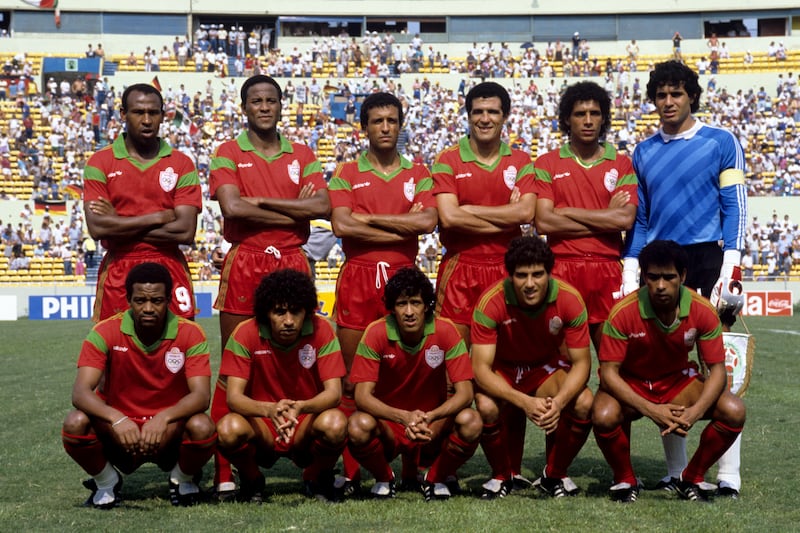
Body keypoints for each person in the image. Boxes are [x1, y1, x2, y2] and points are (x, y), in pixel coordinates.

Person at [622, 60, 747, 497]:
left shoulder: (721, 141)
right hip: (657, 262)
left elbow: (735, 206)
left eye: (677, 93)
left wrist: (730, 265)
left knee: (720, 367)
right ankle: (676, 472)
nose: (668, 102)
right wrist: (628, 266)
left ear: (691, 95)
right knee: (666, 364)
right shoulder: (643, 151)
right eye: (661, 95)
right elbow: (641, 219)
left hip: (707, 258)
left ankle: (727, 475)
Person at [209, 74, 330, 498]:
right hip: (247, 260)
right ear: (245, 107)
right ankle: (225, 468)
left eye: (271, 100)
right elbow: (231, 207)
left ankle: (313, 463)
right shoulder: (227, 152)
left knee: (305, 357)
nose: (264, 107)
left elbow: (323, 206)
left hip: (294, 261)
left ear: (281, 105)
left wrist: (259, 204)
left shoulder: (302, 153)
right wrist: (294, 212)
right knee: (232, 366)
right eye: (256, 100)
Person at [328, 92, 438, 494]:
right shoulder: (345, 171)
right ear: (365, 127)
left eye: (392, 120)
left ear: (401, 124)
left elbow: (426, 221)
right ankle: (354, 468)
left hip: (404, 276)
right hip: (358, 276)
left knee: (408, 375)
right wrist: (399, 224)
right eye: (377, 121)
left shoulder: (419, 172)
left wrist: (367, 218)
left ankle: (412, 467)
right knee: (352, 379)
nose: (386, 127)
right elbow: (341, 225)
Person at [593, 240, 746, 503]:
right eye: (653, 277)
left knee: (734, 410)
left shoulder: (702, 309)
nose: (660, 285)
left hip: (677, 382)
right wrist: (651, 410)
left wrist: (693, 413)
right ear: (643, 277)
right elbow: (608, 374)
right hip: (633, 383)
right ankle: (625, 479)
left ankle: (692, 477)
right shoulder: (622, 312)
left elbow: (718, 372)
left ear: (683, 276)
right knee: (602, 414)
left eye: (669, 277)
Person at [61, 263, 216, 508]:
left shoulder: (191, 333)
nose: (148, 308)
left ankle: (182, 480)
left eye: (156, 301)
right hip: (120, 430)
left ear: (168, 300)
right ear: (128, 299)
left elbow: (201, 396)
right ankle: (106, 482)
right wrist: (117, 418)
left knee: (202, 426)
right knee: (75, 423)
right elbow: (80, 392)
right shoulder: (104, 331)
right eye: (140, 300)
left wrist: (163, 418)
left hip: (168, 431)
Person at [471, 236, 593, 499]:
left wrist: (559, 402)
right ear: (510, 275)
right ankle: (502, 476)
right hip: (502, 369)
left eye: (537, 274)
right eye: (521, 275)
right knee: (486, 406)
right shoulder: (491, 301)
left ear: (550, 273)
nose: (529, 283)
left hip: (543, 369)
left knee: (584, 402)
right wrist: (523, 402)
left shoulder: (569, 298)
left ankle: (555, 474)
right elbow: (480, 369)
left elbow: (583, 364)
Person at [347, 267, 481, 501]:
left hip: (433, 424)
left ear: (427, 305)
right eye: (401, 304)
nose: (409, 312)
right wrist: (403, 417)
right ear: (392, 308)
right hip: (390, 424)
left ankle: (435, 478)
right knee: (358, 425)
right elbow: (362, 396)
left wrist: (430, 417)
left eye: (416, 303)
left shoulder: (446, 330)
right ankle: (384, 478)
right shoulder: (376, 332)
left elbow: (465, 393)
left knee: (471, 421)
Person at [215, 269, 347, 503]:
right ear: (266, 312)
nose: (288, 320)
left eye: (295, 312)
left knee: (335, 423)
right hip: (263, 425)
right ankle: (252, 480)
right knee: (228, 429)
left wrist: (301, 407)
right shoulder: (245, 332)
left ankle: (317, 477)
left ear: (306, 310)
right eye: (279, 312)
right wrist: (269, 410)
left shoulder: (322, 330)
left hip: (304, 422)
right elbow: (233, 398)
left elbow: (334, 394)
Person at [83, 83, 201, 321]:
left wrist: (117, 222)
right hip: (119, 268)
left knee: (177, 348)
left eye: (153, 113)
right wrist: (157, 217)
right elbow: (97, 228)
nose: (147, 120)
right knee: (116, 350)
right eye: (138, 112)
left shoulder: (182, 164)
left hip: (169, 266)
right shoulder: (100, 162)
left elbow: (186, 231)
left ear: (162, 115)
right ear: (123, 114)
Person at [534, 80, 637, 350]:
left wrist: (566, 213)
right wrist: (606, 216)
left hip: (608, 269)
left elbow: (625, 220)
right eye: (580, 114)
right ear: (568, 119)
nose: (588, 121)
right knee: (563, 362)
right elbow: (544, 221)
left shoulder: (621, 162)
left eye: (595, 113)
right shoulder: (547, 163)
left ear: (604, 118)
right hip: (562, 268)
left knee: (613, 359)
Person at [432, 81, 536, 343]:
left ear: (505, 116)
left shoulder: (521, 160)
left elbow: (525, 213)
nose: (485, 119)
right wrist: (507, 215)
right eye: (478, 112)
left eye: (493, 112)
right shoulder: (448, 159)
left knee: (508, 358)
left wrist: (468, 210)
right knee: (452, 360)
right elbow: (449, 217)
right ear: (468, 116)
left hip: (507, 267)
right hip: (460, 268)